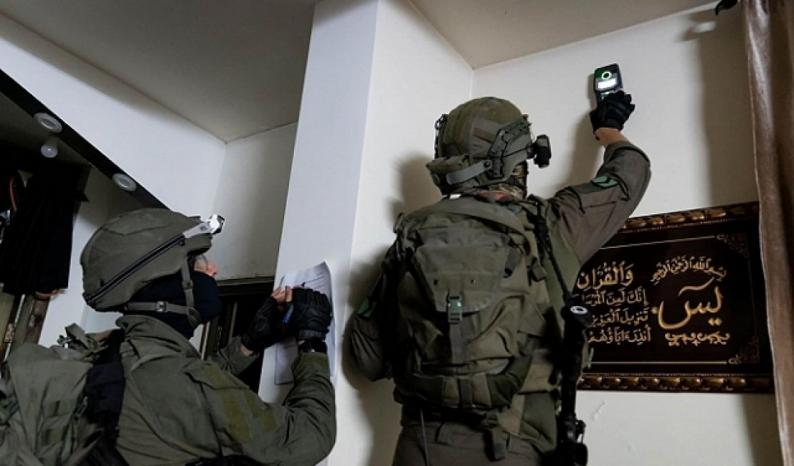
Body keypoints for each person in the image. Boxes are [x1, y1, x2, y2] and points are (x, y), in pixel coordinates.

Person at [349, 92, 650, 465]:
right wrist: (608, 129)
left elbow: (367, 359)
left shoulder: (412, 237)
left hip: (419, 447)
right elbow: (630, 173)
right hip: (516, 450)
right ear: (517, 159)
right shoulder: (553, 225)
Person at [4, 208, 336, 465]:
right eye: (198, 263)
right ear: (167, 283)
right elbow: (309, 436)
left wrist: (248, 344)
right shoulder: (177, 384)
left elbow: (183, 396)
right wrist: (311, 342)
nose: (212, 270)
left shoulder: (111, 349)